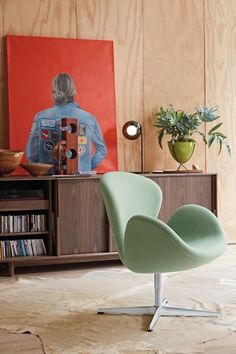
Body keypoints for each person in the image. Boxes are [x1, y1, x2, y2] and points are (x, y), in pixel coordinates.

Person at [26, 73, 107, 172]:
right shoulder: (89, 119)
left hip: (48, 180)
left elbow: (31, 154)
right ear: (74, 91)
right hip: (80, 180)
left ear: (53, 91)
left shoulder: (40, 117)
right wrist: (85, 167)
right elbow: (101, 151)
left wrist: (44, 170)